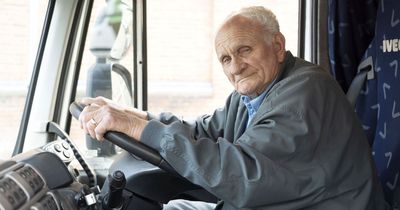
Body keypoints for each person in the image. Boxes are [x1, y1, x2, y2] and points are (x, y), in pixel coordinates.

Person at [79, 6, 388, 210]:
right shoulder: (253, 94)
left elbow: (241, 174)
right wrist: (128, 115)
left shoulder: (306, 92)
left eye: (245, 50)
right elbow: (200, 129)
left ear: (277, 46)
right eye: (226, 59)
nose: (236, 67)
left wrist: (135, 129)